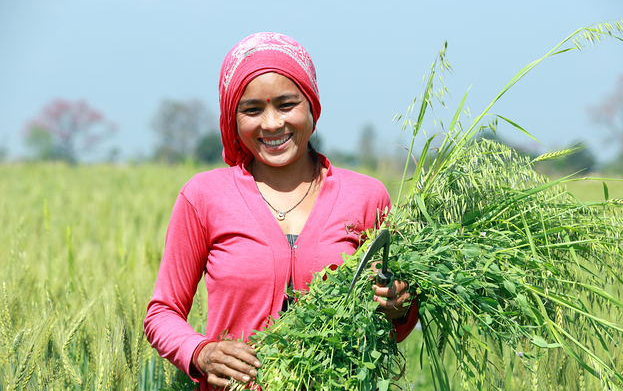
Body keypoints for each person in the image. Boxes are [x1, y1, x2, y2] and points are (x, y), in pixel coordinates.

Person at [144, 32, 418, 390]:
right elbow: (162, 312)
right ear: (233, 118)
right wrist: (200, 352)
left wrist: (398, 308)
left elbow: (397, 324)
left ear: (312, 107)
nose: (271, 124)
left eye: (286, 105)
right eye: (252, 109)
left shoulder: (367, 197)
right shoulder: (204, 196)